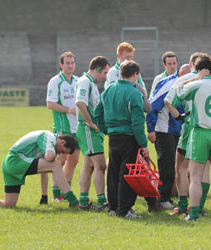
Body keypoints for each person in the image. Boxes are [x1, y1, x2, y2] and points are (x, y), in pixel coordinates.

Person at [95, 60, 159, 219]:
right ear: (135, 74)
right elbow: (137, 123)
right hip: (129, 137)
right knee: (128, 175)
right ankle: (124, 210)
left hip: (113, 137)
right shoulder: (134, 93)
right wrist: (143, 144)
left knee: (113, 173)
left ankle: (113, 207)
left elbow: (97, 114)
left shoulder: (108, 90)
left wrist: (106, 129)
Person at [175, 54, 211, 221]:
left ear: (200, 70)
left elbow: (178, 91)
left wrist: (195, 77)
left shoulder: (197, 84)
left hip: (200, 132)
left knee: (195, 177)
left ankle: (193, 215)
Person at [164, 53, 211, 216]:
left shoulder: (184, 80)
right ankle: (200, 207)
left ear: (192, 64)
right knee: (204, 169)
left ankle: (183, 206)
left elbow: (167, 101)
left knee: (182, 168)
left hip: (191, 125)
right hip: (210, 127)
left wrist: (178, 116)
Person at [0, 130, 78, 208]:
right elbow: (50, 157)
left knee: (9, 205)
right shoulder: (48, 137)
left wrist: (44, 196)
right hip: (15, 160)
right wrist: (54, 155)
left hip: (8, 163)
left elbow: (44, 170)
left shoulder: (48, 143)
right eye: (62, 151)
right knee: (56, 164)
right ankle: (73, 200)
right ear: (62, 142)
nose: (60, 154)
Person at [146, 52, 185, 210]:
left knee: (178, 164)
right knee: (166, 164)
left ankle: (171, 195)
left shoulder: (182, 80)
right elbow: (152, 104)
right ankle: (162, 198)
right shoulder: (163, 81)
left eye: (174, 63)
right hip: (164, 128)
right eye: (169, 63)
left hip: (178, 129)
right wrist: (150, 129)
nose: (172, 66)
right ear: (164, 65)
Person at [43, 51, 80, 204]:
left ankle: (67, 191)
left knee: (74, 160)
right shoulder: (55, 81)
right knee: (61, 161)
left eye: (72, 63)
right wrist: (68, 110)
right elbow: (50, 104)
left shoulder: (78, 81)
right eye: (67, 63)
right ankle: (56, 193)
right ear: (61, 65)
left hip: (77, 128)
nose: (70, 65)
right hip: (62, 128)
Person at [75, 56, 110, 211]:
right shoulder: (85, 81)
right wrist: (89, 122)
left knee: (88, 164)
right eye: (105, 73)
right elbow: (80, 102)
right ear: (98, 69)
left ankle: (84, 201)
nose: (105, 76)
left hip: (91, 130)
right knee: (100, 165)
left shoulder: (91, 83)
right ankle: (102, 201)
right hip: (88, 129)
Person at [104, 42, 150, 113]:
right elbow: (113, 94)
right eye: (127, 57)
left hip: (134, 110)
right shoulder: (112, 72)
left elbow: (144, 91)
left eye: (131, 56)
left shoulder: (136, 71)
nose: (130, 60)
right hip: (119, 113)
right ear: (118, 56)